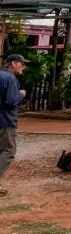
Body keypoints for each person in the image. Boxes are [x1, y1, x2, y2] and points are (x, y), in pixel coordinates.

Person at [0, 54, 27, 196]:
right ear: (13, 64)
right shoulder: (10, 79)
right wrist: (21, 94)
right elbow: (11, 101)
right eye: (22, 63)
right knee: (9, 151)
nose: (24, 66)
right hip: (6, 121)